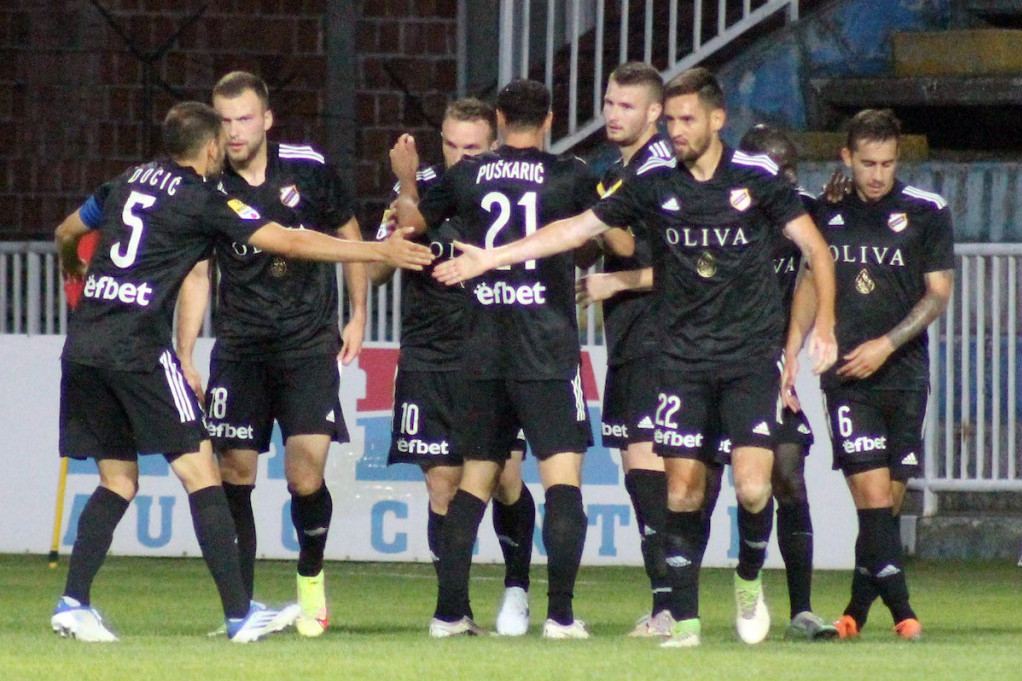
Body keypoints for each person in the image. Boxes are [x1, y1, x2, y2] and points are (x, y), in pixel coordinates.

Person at [433, 67, 838, 648]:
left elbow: (817, 251)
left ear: (717, 119)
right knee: (680, 492)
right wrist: (491, 259)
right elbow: (574, 229)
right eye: (670, 119)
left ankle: (749, 579)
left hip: (748, 356)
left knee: (754, 488)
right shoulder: (654, 181)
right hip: (680, 359)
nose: (676, 130)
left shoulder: (756, 178)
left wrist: (824, 326)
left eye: (686, 119)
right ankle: (683, 620)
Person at [51, 101, 432, 643]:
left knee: (117, 481)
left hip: (84, 345)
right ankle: (239, 615)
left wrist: (71, 261)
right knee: (203, 474)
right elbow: (292, 240)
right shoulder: (203, 198)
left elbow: (67, 229)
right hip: (138, 351)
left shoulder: (126, 181)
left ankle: (73, 603)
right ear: (209, 148)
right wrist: (377, 250)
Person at [394, 79, 598, 639]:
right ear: (550, 120)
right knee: (562, 482)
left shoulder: (468, 175)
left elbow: (411, 225)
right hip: (546, 350)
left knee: (475, 482)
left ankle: (448, 614)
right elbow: (598, 244)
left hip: (483, 350)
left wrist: (407, 179)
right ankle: (559, 617)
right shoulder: (570, 175)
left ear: (500, 119)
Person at [175, 71, 366, 637]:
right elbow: (199, 273)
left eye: (244, 118)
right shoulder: (208, 185)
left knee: (305, 475)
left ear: (267, 119)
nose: (234, 131)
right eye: (225, 120)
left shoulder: (308, 167)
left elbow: (349, 235)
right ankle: (242, 609)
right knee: (235, 472)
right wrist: (185, 352)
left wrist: (358, 313)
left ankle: (310, 579)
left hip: (308, 346)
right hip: (241, 349)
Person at [369, 98, 536, 636]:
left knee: (505, 480)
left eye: (473, 147)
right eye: (451, 145)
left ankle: (517, 590)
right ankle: (455, 609)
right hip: (429, 358)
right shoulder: (417, 191)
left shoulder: (513, 191)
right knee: (442, 487)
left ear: (494, 145)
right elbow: (374, 273)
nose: (461, 157)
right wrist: (393, 243)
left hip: (498, 353)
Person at [809, 109, 954, 641]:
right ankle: (904, 613)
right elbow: (806, 281)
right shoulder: (825, 210)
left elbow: (937, 294)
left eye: (887, 164)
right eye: (867, 163)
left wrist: (887, 344)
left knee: (887, 506)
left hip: (906, 373)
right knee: (871, 499)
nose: (877, 175)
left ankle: (854, 612)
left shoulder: (927, 211)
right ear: (847, 157)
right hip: (849, 376)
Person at [575, 62, 675, 637]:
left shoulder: (661, 173)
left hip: (662, 339)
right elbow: (608, 245)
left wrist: (616, 279)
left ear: (655, 112)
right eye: (610, 103)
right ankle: (668, 600)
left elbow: (682, 265)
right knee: (640, 475)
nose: (613, 114)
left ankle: (670, 606)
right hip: (630, 340)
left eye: (626, 106)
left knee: (649, 472)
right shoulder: (616, 173)